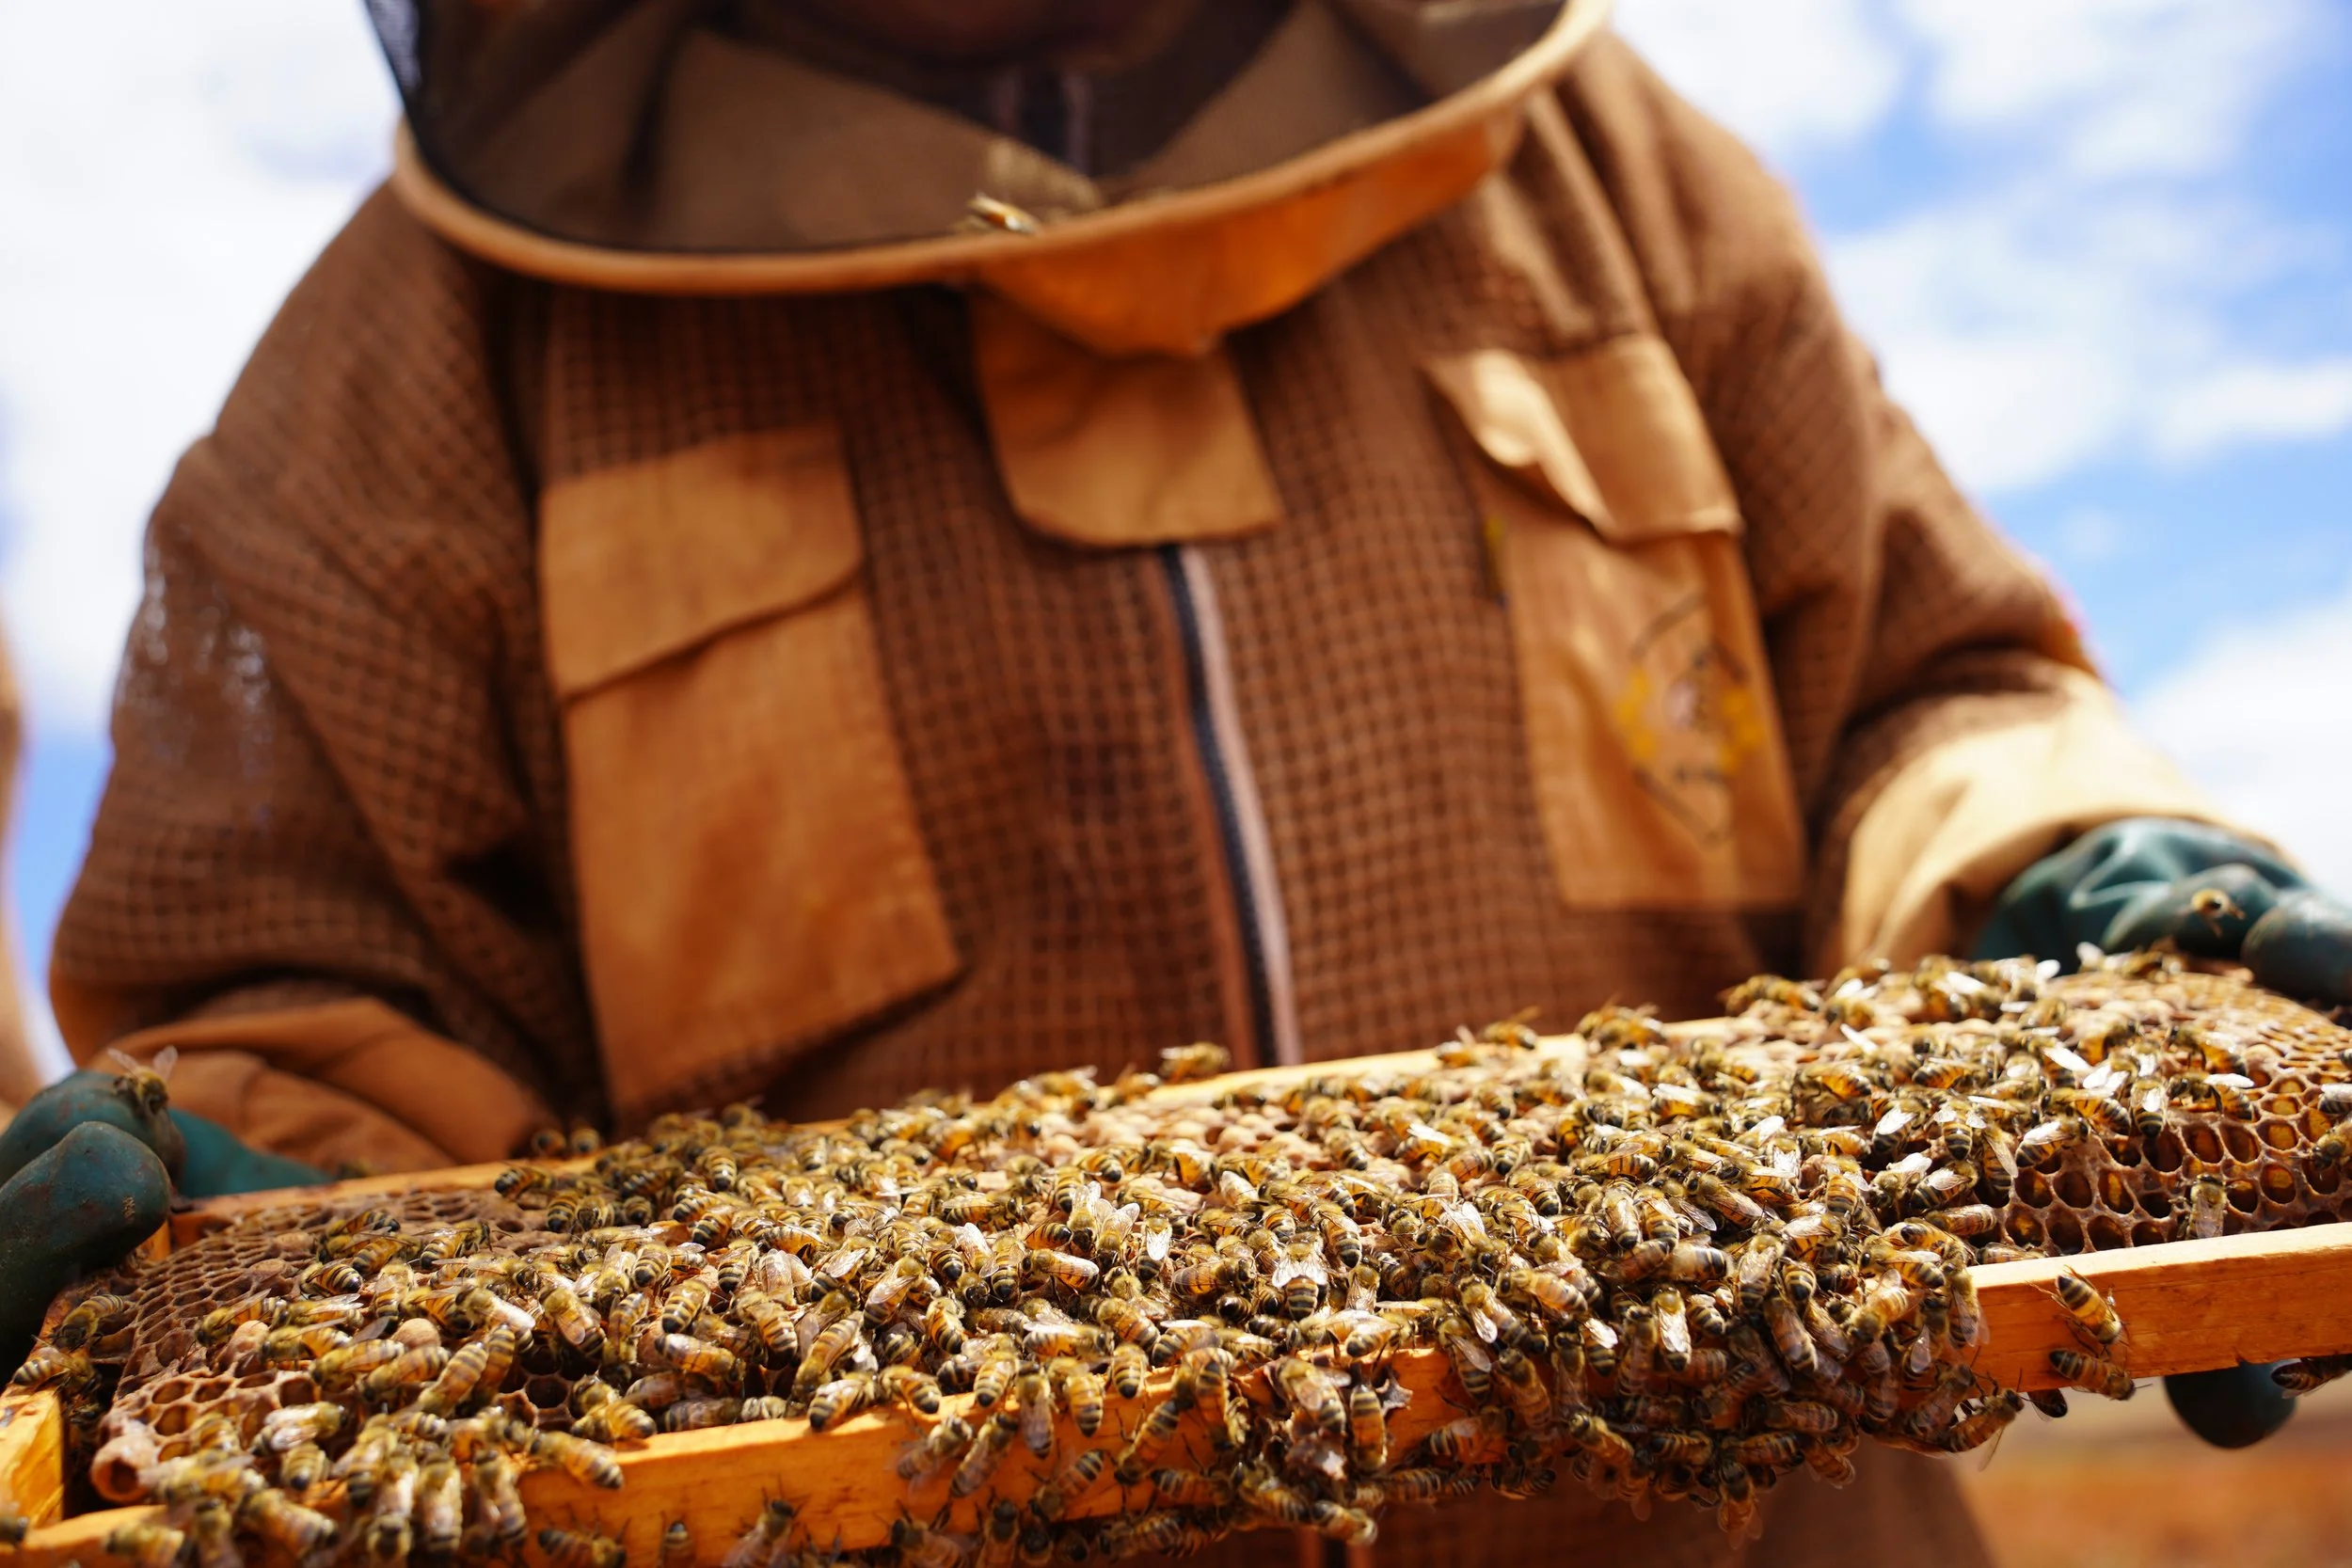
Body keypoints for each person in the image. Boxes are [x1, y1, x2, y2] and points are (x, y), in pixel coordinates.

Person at [10, 0, 2350, 1559]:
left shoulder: (1622, 186)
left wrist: (2065, 872)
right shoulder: (419, 366)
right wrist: (257, 1240)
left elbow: (1924, 690)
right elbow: (301, 981)